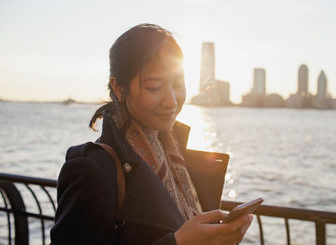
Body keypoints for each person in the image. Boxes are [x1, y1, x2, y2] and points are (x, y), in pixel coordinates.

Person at [50, 23, 253, 245]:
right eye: (154, 87)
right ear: (118, 88)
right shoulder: (93, 169)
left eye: (177, 84)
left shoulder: (178, 158)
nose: (172, 101)